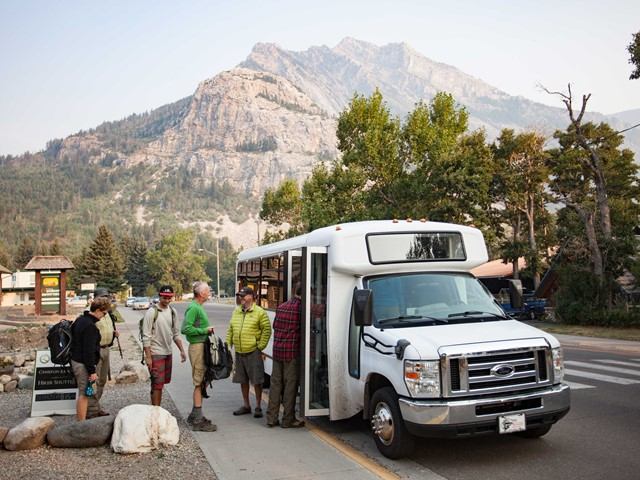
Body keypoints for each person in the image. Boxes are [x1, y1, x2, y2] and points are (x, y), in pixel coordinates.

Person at [226, 286, 271, 418]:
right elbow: (231, 329)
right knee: (242, 380)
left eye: (244, 296)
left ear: (252, 296)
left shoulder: (259, 312)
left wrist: (260, 347)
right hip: (240, 352)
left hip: (253, 352)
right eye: (240, 296)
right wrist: (228, 345)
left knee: (257, 380)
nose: (241, 298)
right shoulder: (236, 311)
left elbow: (266, 330)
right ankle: (246, 405)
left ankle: (258, 406)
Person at [181, 281, 217, 432]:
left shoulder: (197, 307)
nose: (209, 292)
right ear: (201, 293)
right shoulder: (194, 308)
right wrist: (204, 331)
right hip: (197, 347)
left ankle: (195, 414)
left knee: (203, 380)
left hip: (201, 346)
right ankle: (197, 419)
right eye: (208, 290)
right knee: (200, 381)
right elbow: (185, 329)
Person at [142, 285, 187, 406]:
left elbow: (176, 333)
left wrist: (182, 350)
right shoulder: (152, 312)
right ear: (160, 296)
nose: (167, 300)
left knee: (162, 383)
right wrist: (148, 357)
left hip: (168, 352)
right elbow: (146, 336)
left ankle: (157, 409)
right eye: (164, 298)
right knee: (157, 384)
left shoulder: (173, 312)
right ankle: (155, 410)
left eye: (169, 298)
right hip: (156, 353)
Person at [266, 286, 304, 428]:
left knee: (275, 385)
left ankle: (271, 418)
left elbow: (275, 326)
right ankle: (288, 419)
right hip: (292, 353)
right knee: (290, 386)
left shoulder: (281, 307)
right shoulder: (302, 309)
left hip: (278, 351)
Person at [70, 296, 111, 421]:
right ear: (98, 310)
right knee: (83, 394)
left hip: (75, 360)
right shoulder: (90, 327)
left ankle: (82, 419)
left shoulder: (80, 320)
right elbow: (88, 351)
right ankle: (81, 423)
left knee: (84, 393)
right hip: (83, 363)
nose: (104, 316)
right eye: (104, 313)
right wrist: (92, 371)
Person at [87, 287, 119, 418]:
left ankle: (95, 406)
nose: (105, 299)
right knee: (94, 380)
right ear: (95, 299)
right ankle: (90, 409)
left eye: (106, 297)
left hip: (106, 348)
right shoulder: (91, 312)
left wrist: (113, 333)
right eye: (102, 297)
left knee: (102, 380)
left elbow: (106, 328)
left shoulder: (108, 313)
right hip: (96, 350)